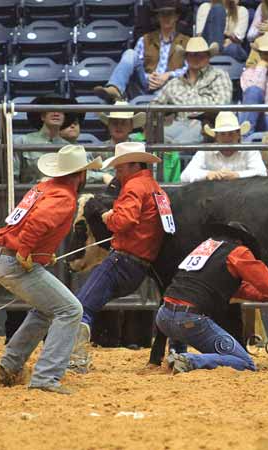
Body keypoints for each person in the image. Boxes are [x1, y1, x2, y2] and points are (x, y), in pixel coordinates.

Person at [0, 145, 102, 394]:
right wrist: (25, 251)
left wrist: (39, 252)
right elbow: (38, 222)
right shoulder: (64, 197)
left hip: (4, 257)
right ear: (81, 175)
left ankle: (10, 366)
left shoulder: (43, 187)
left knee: (47, 310)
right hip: (14, 260)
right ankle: (46, 376)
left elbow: (27, 221)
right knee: (71, 309)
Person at [69, 142, 172, 372]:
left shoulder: (134, 187)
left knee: (80, 307)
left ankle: (77, 361)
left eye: (121, 167)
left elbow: (124, 221)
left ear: (135, 165)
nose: (117, 172)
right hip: (141, 264)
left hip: (122, 259)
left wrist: (107, 216)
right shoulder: (156, 188)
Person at [156, 221, 268, 373]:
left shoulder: (204, 249)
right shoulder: (238, 252)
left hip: (164, 317)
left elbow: (241, 290)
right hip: (190, 320)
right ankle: (188, 359)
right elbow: (266, 283)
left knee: (182, 318)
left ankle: (176, 355)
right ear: (241, 241)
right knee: (245, 363)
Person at [93, 2, 190, 103]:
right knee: (130, 53)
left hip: (171, 87)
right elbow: (135, 66)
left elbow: (190, 69)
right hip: (145, 85)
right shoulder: (145, 39)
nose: (166, 17)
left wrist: (168, 75)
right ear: (158, 17)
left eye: (170, 13)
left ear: (176, 16)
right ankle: (115, 89)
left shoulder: (187, 42)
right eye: (162, 14)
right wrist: (149, 77)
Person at [153, 37, 233, 145]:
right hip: (178, 124)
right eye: (193, 54)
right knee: (152, 139)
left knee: (177, 144)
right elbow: (155, 105)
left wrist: (198, 115)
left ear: (208, 56)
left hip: (206, 124)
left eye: (201, 54)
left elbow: (223, 104)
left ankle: (172, 151)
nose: (197, 58)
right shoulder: (175, 83)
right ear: (186, 57)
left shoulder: (219, 75)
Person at [180, 112, 267, 183]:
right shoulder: (206, 150)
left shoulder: (249, 150)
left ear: (238, 135)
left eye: (231, 133)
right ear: (216, 137)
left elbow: (262, 172)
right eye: (222, 134)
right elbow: (185, 175)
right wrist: (208, 174)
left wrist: (237, 175)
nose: (227, 138)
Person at [14, 95, 78, 184]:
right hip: (30, 195)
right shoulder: (22, 141)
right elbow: (13, 179)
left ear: (64, 118)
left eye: (61, 111)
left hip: (60, 195)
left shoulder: (68, 147)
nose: (56, 113)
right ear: (42, 116)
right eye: (51, 109)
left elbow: (75, 177)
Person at [60, 115, 109, 184]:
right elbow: (73, 175)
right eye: (68, 124)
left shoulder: (85, 151)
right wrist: (102, 176)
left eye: (76, 123)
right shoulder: (58, 150)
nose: (72, 126)